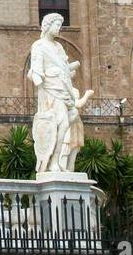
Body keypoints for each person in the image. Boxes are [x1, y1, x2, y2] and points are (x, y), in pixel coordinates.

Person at [27, 12, 93, 174]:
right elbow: (35, 69)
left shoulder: (58, 47)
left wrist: (69, 68)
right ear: (48, 26)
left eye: (60, 26)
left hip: (64, 88)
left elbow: (64, 68)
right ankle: (53, 162)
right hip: (50, 89)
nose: (59, 29)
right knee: (60, 123)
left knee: (67, 121)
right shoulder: (39, 46)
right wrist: (40, 79)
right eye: (57, 25)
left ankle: (57, 161)